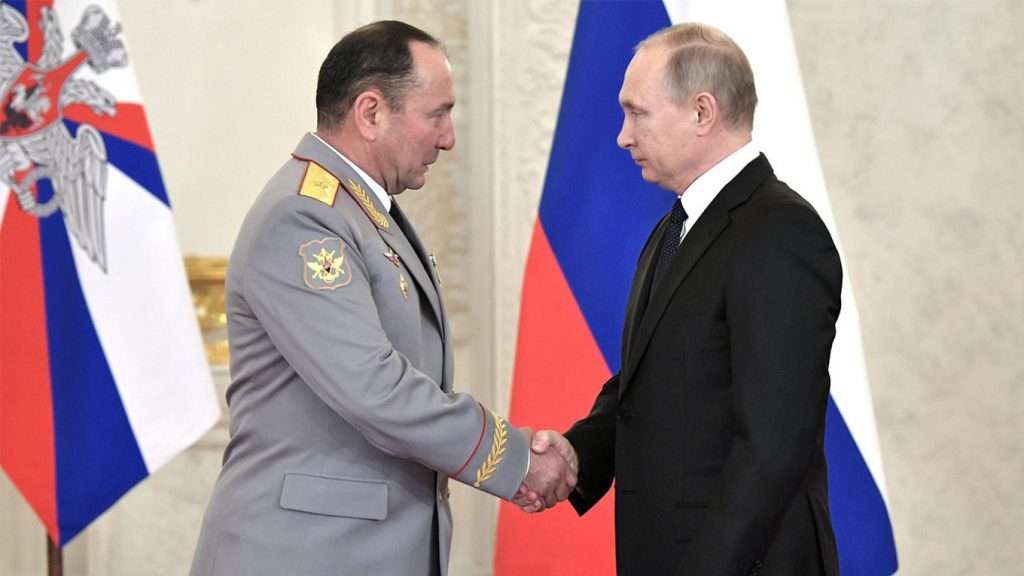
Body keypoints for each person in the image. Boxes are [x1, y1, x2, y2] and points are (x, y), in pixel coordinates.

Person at [190, 21, 574, 576]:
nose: (448, 138)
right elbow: (375, 387)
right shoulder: (304, 217)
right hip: (305, 555)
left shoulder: (358, 211)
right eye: (436, 114)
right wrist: (512, 458)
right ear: (371, 113)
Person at [524, 23, 842, 575]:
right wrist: (580, 455)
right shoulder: (677, 226)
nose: (623, 136)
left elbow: (772, 446)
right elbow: (650, 380)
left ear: (701, 112)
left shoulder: (780, 231)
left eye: (637, 113)